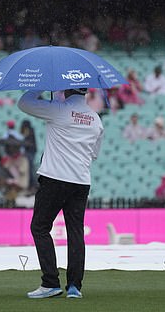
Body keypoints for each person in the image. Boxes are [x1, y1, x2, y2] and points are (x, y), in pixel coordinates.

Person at [18, 88, 103, 299]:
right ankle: (74, 286)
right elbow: (94, 154)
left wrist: (41, 86)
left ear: (65, 90)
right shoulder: (95, 119)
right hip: (81, 181)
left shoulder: (58, 110)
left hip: (54, 179)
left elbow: (24, 103)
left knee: (39, 227)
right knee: (75, 232)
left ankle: (50, 282)